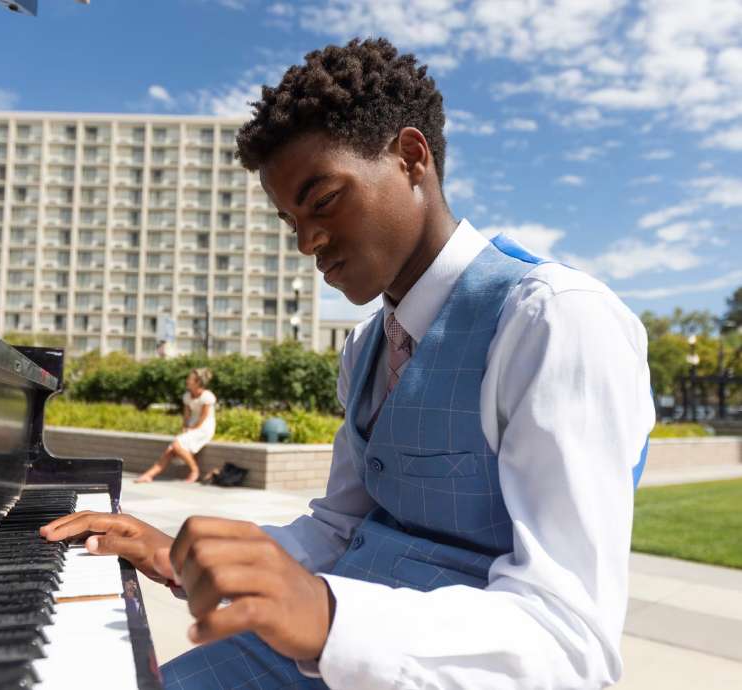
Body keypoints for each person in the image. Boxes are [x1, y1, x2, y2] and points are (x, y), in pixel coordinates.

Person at [41, 37, 653, 690]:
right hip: (311, 655)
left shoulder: (555, 318)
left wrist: (329, 616)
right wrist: (179, 556)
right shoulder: (365, 349)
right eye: (290, 220)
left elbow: (571, 643)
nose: (307, 241)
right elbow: (340, 528)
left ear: (412, 158)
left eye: (323, 199)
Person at [136, 368, 216, 483]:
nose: (187, 381)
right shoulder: (187, 396)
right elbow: (186, 416)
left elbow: (203, 418)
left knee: (176, 444)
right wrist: (185, 428)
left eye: (190, 379)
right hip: (193, 427)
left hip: (204, 428)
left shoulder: (207, 396)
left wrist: (191, 429)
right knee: (170, 450)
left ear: (198, 382)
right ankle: (149, 475)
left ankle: (195, 470)